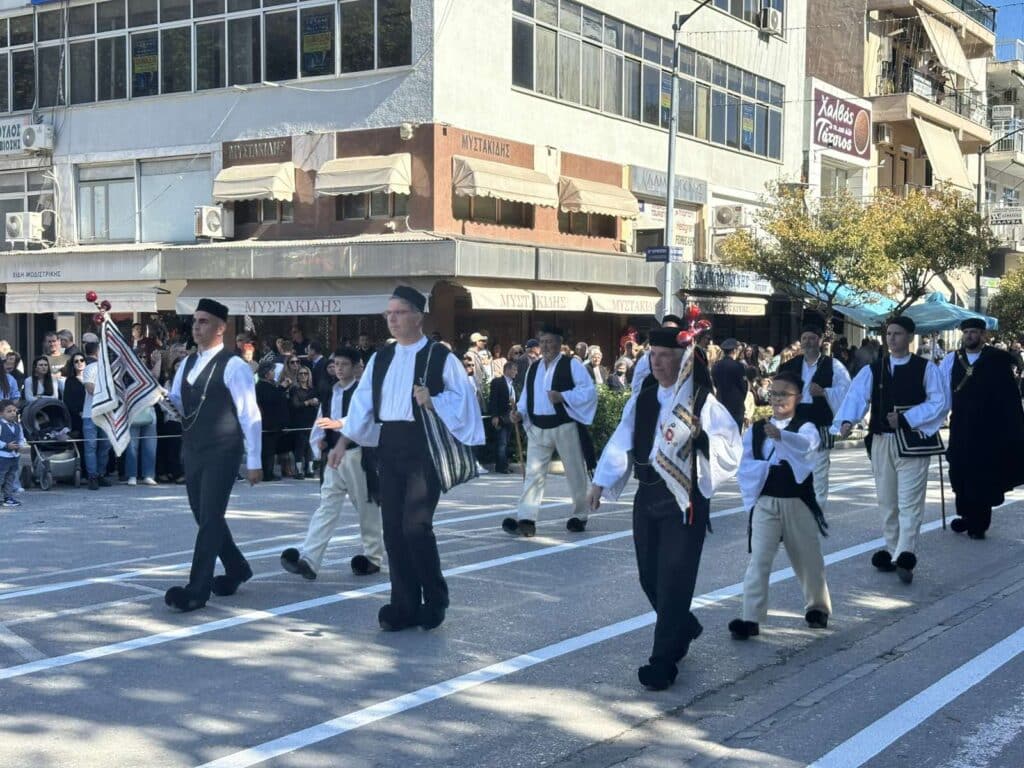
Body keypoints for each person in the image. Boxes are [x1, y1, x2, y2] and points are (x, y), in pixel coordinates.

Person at [587, 327, 741, 690]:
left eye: (664, 356)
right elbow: (621, 439)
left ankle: (663, 662)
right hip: (648, 496)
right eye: (652, 355)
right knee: (649, 576)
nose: (656, 362)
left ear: (682, 360)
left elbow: (731, 445)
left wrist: (702, 437)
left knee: (674, 579)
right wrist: (600, 482)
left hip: (684, 499)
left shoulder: (702, 402)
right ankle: (682, 626)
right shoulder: (643, 398)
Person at [330, 286, 483, 632]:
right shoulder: (380, 358)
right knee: (393, 530)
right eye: (389, 313)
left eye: (399, 312)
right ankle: (404, 603)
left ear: (418, 316)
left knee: (416, 527)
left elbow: (466, 401)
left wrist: (435, 400)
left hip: (424, 446)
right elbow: (363, 403)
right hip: (389, 445)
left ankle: (435, 598)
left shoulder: (441, 357)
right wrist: (343, 442)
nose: (392, 319)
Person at [164, 298, 262, 613]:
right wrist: (162, 399)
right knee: (204, 515)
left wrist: (255, 461)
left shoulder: (234, 365)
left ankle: (197, 589)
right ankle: (237, 567)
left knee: (209, 518)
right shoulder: (187, 364)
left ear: (221, 328)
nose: (196, 326)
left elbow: (250, 414)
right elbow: (179, 403)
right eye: (195, 321)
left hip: (223, 449)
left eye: (204, 321)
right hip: (193, 448)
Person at [834, 316, 947, 584]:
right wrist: (847, 420)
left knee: (910, 502)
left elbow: (940, 402)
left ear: (910, 337)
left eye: (897, 334)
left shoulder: (926, 369)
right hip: (882, 440)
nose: (892, 338)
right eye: (889, 334)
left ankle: (906, 553)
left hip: (913, 442)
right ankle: (894, 549)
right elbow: (856, 396)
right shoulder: (874, 369)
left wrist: (907, 418)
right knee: (887, 501)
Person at [730, 370, 831, 640]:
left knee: (808, 558)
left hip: (797, 500)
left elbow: (807, 447)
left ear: (798, 397)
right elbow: (745, 463)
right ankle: (750, 617)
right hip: (766, 500)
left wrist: (781, 437)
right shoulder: (757, 429)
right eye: (773, 393)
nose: (777, 399)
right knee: (759, 559)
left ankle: (817, 608)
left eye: (784, 394)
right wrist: (760, 472)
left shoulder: (805, 427)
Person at [281, 348, 384, 579]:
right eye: (336, 364)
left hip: (358, 455)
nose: (338, 368)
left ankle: (373, 557)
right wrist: (318, 441)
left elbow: (365, 417)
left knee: (366, 508)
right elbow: (321, 419)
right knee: (326, 507)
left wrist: (339, 424)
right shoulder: (330, 392)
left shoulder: (363, 391)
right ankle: (310, 560)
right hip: (333, 457)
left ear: (357, 367)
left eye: (344, 364)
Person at [505, 323, 597, 537]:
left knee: (574, 472)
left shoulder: (572, 365)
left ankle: (579, 515)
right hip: (538, 427)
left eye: (550, 342)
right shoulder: (534, 368)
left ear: (559, 344)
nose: (546, 346)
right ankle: (526, 519)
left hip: (564, 425)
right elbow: (526, 396)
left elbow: (588, 392)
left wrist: (563, 396)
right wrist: (519, 412)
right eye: (543, 342)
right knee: (533, 474)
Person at [940, 318, 1024, 539]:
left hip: (988, 429)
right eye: (966, 332)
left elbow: (1009, 397)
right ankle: (966, 516)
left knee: (982, 475)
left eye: (974, 332)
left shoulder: (996, 360)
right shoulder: (952, 360)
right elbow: (942, 393)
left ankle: (979, 523)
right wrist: (934, 421)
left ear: (983, 335)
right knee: (959, 471)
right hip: (960, 426)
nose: (969, 336)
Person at [779, 324, 852, 510]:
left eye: (812, 338)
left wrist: (825, 392)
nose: (808, 342)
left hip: (820, 421)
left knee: (819, 470)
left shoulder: (834, 365)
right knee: (793, 468)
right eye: (804, 338)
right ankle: (796, 511)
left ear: (820, 341)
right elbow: (778, 393)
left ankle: (816, 512)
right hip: (796, 422)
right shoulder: (789, 366)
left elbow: (847, 391)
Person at [81, 346, 112, 490]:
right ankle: (92, 476)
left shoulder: (112, 369)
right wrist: (108, 392)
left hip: (107, 413)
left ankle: (100, 474)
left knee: (105, 445)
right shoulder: (90, 368)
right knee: (91, 446)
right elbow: (90, 388)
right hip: (90, 413)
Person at [631, 314, 683, 394]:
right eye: (665, 330)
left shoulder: (686, 357)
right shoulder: (646, 359)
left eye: (672, 331)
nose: (666, 334)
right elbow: (636, 386)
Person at [255, 362, 288, 481]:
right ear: (266, 373)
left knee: (271, 449)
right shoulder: (261, 386)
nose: (274, 373)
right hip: (268, 423)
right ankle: (267, 473)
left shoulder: (270, 385)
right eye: (272, 371)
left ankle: (269, 472)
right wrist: (282, 388)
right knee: (268, 450)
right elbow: (271, 399)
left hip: (273, 423)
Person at [487, 360, 519, 474]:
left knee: (506, 441)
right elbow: (493, 399)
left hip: (510, 416)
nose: (516, 372)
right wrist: (494, 416)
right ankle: (501, 466)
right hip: (501, 416)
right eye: (514, 370)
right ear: (507, 370)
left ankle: (504, 464)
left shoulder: (512, 384)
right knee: (502, 442)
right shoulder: (498, 382)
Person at [289, 365, 319, 479]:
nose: (303, 376)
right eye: (301, 373)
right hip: (299, 421)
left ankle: (310, 469)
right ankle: (299, 471)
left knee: (310, 445)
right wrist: (308, 402)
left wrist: (316, 402)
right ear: (297, 376)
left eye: (305, 373)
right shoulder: (294, 389)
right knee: (300, 446)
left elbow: (318, 402)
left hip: (311, 420)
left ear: (309, 375)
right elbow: (295, 404)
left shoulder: (313, 389)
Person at [712, 338, 749, 430]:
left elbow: (715, 383)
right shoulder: (738, 366)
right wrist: (741, 399)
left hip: (721, 402)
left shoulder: (716, 366)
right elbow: (744, 386)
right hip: (736, 405)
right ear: (734, 350)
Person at [0, 399, 26, 507]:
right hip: (2, 456)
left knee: (10, 477)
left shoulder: (17, 425)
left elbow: (21, 438)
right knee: (1, 477)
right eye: (9, 411)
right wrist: (6, 445)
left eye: (14, 411)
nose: (12, 413)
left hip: (14, 456)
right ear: (1, 413)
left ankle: (8, 497)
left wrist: (21, 445)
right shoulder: (1, 425)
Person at [60, 354, 87, 436]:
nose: (79, 363)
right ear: (73, 365)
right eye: (76, 361)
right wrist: (79, 412)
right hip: (78, 416)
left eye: (82, 360)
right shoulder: (70, 381)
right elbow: (67, 400)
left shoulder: (93, 377)